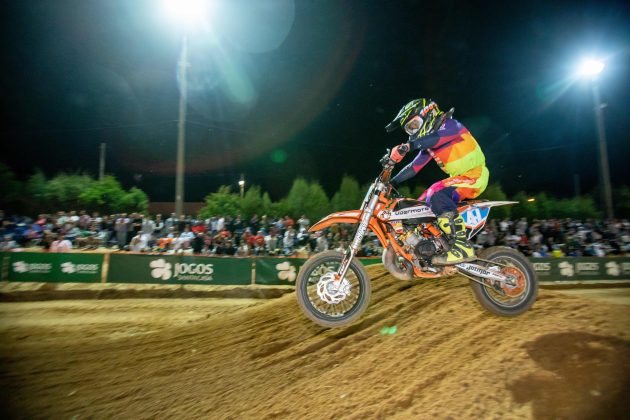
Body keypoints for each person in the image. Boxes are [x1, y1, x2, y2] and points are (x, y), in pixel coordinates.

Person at [386, 98, 489, 265]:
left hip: (475, 175)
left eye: (414, 125)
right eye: (409, 129)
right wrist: (391, 182)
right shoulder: (428, 144)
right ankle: (433, 245)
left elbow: (434, 139)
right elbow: (414, 167)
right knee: (419, 203)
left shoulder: (451, 125)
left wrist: (408, 146)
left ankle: (463, 247)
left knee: (436, 193)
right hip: (460, 178)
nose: (413, 131)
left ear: (428, 113)